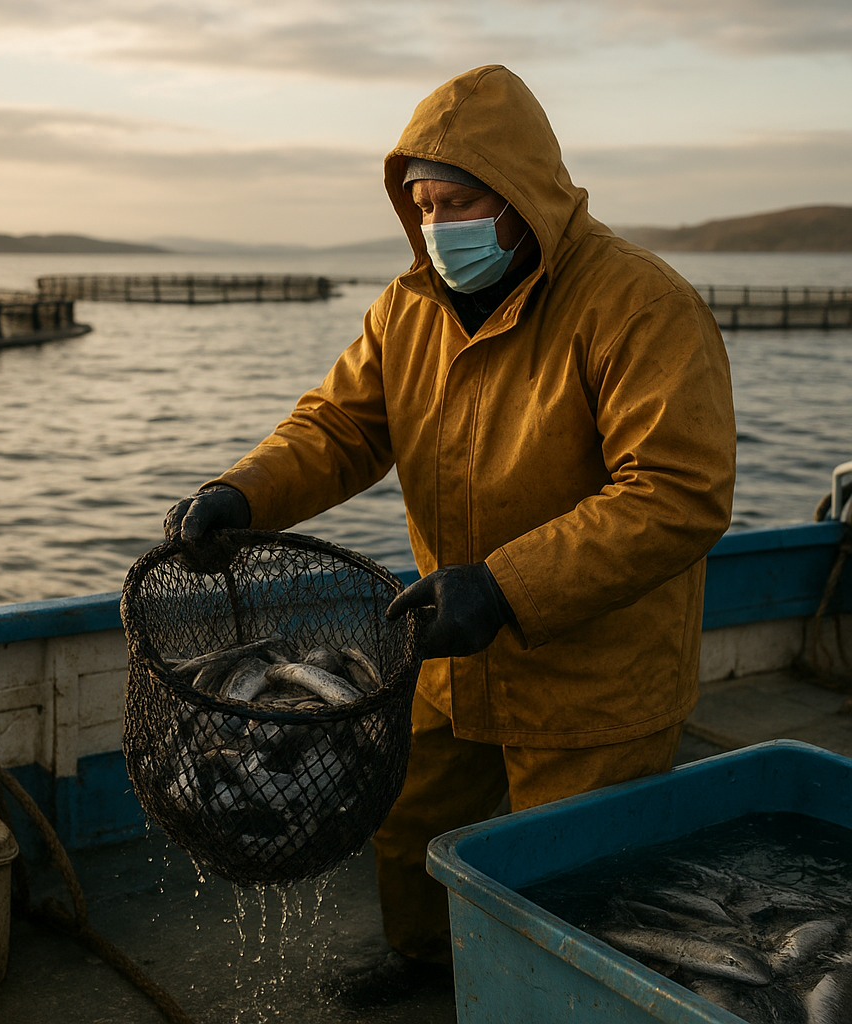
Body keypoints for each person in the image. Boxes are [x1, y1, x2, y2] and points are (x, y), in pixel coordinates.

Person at [164, 64, 736, 1006]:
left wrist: (508, 587)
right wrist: (244, 491)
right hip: (448, 645)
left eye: (458, 199)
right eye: (422, 204)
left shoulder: (638, 303)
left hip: (593, 669)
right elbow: (341, 427)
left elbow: (678, 491)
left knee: (570, 883)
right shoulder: (408, 308)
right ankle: (425, 965)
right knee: (410, 825)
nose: (438, 225)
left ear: (519, 196)